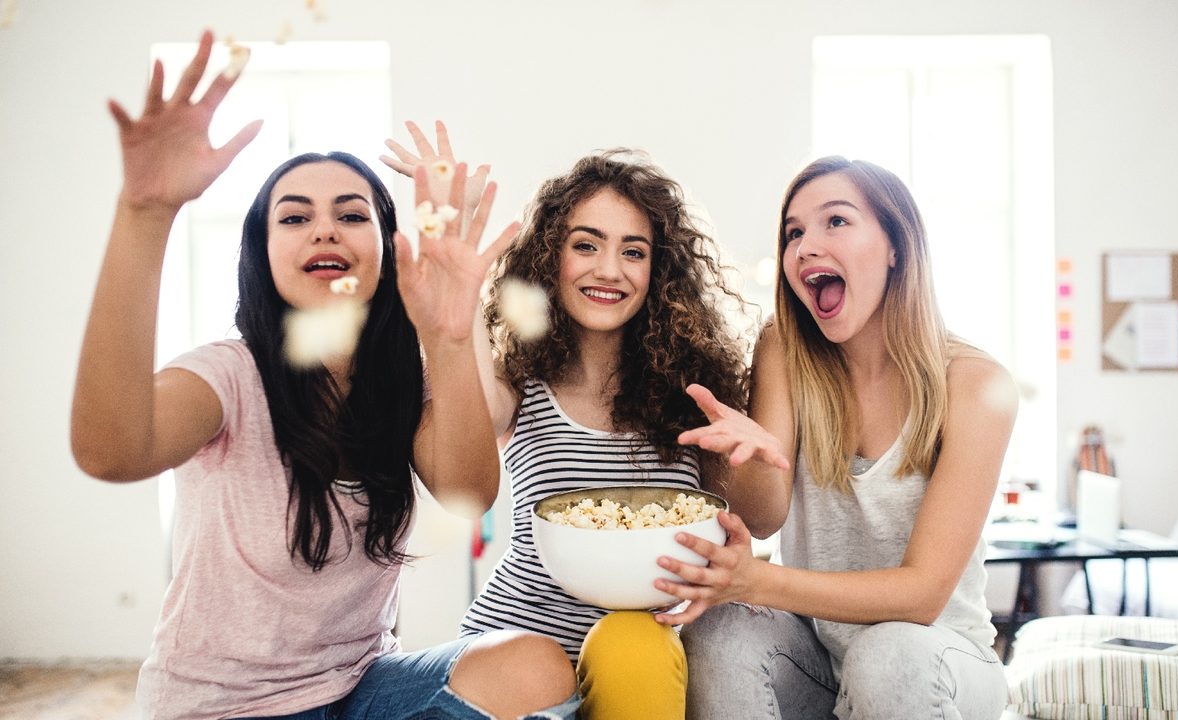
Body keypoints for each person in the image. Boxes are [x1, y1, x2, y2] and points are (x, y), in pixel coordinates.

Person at [70, 31, 578, 720]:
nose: (325, 230)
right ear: (264, 252)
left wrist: (450, 336)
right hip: (223, 708)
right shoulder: (229, 377)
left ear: (386, 246)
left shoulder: (407, 377)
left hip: (357, 690)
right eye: (295, 216)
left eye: (350, 214)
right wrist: (146, 215)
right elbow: (110, 450)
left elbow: (468, 491)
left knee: (535, 666)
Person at [384, 141, 750, 719]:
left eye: (634, 251)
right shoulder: (519, 379)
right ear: (551, 256)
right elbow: (467, 428)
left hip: (644, 667)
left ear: (659, 270)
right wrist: (466, 277)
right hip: (518, 661)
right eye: (586, 245)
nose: (608, 270)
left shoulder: (696, 391)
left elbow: (751, 518)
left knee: (633, 653)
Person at [654, 156, 1018, 719]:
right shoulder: (784, 350)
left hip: (939, 661)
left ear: (896, 245)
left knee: (887, 652)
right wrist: (746, 457)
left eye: (836, 222)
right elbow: (763, 519)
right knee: (719, 629)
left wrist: (756, 582)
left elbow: (922, 596)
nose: (805, 246)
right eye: (793, 232)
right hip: (821, 657)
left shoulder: (974, 384)